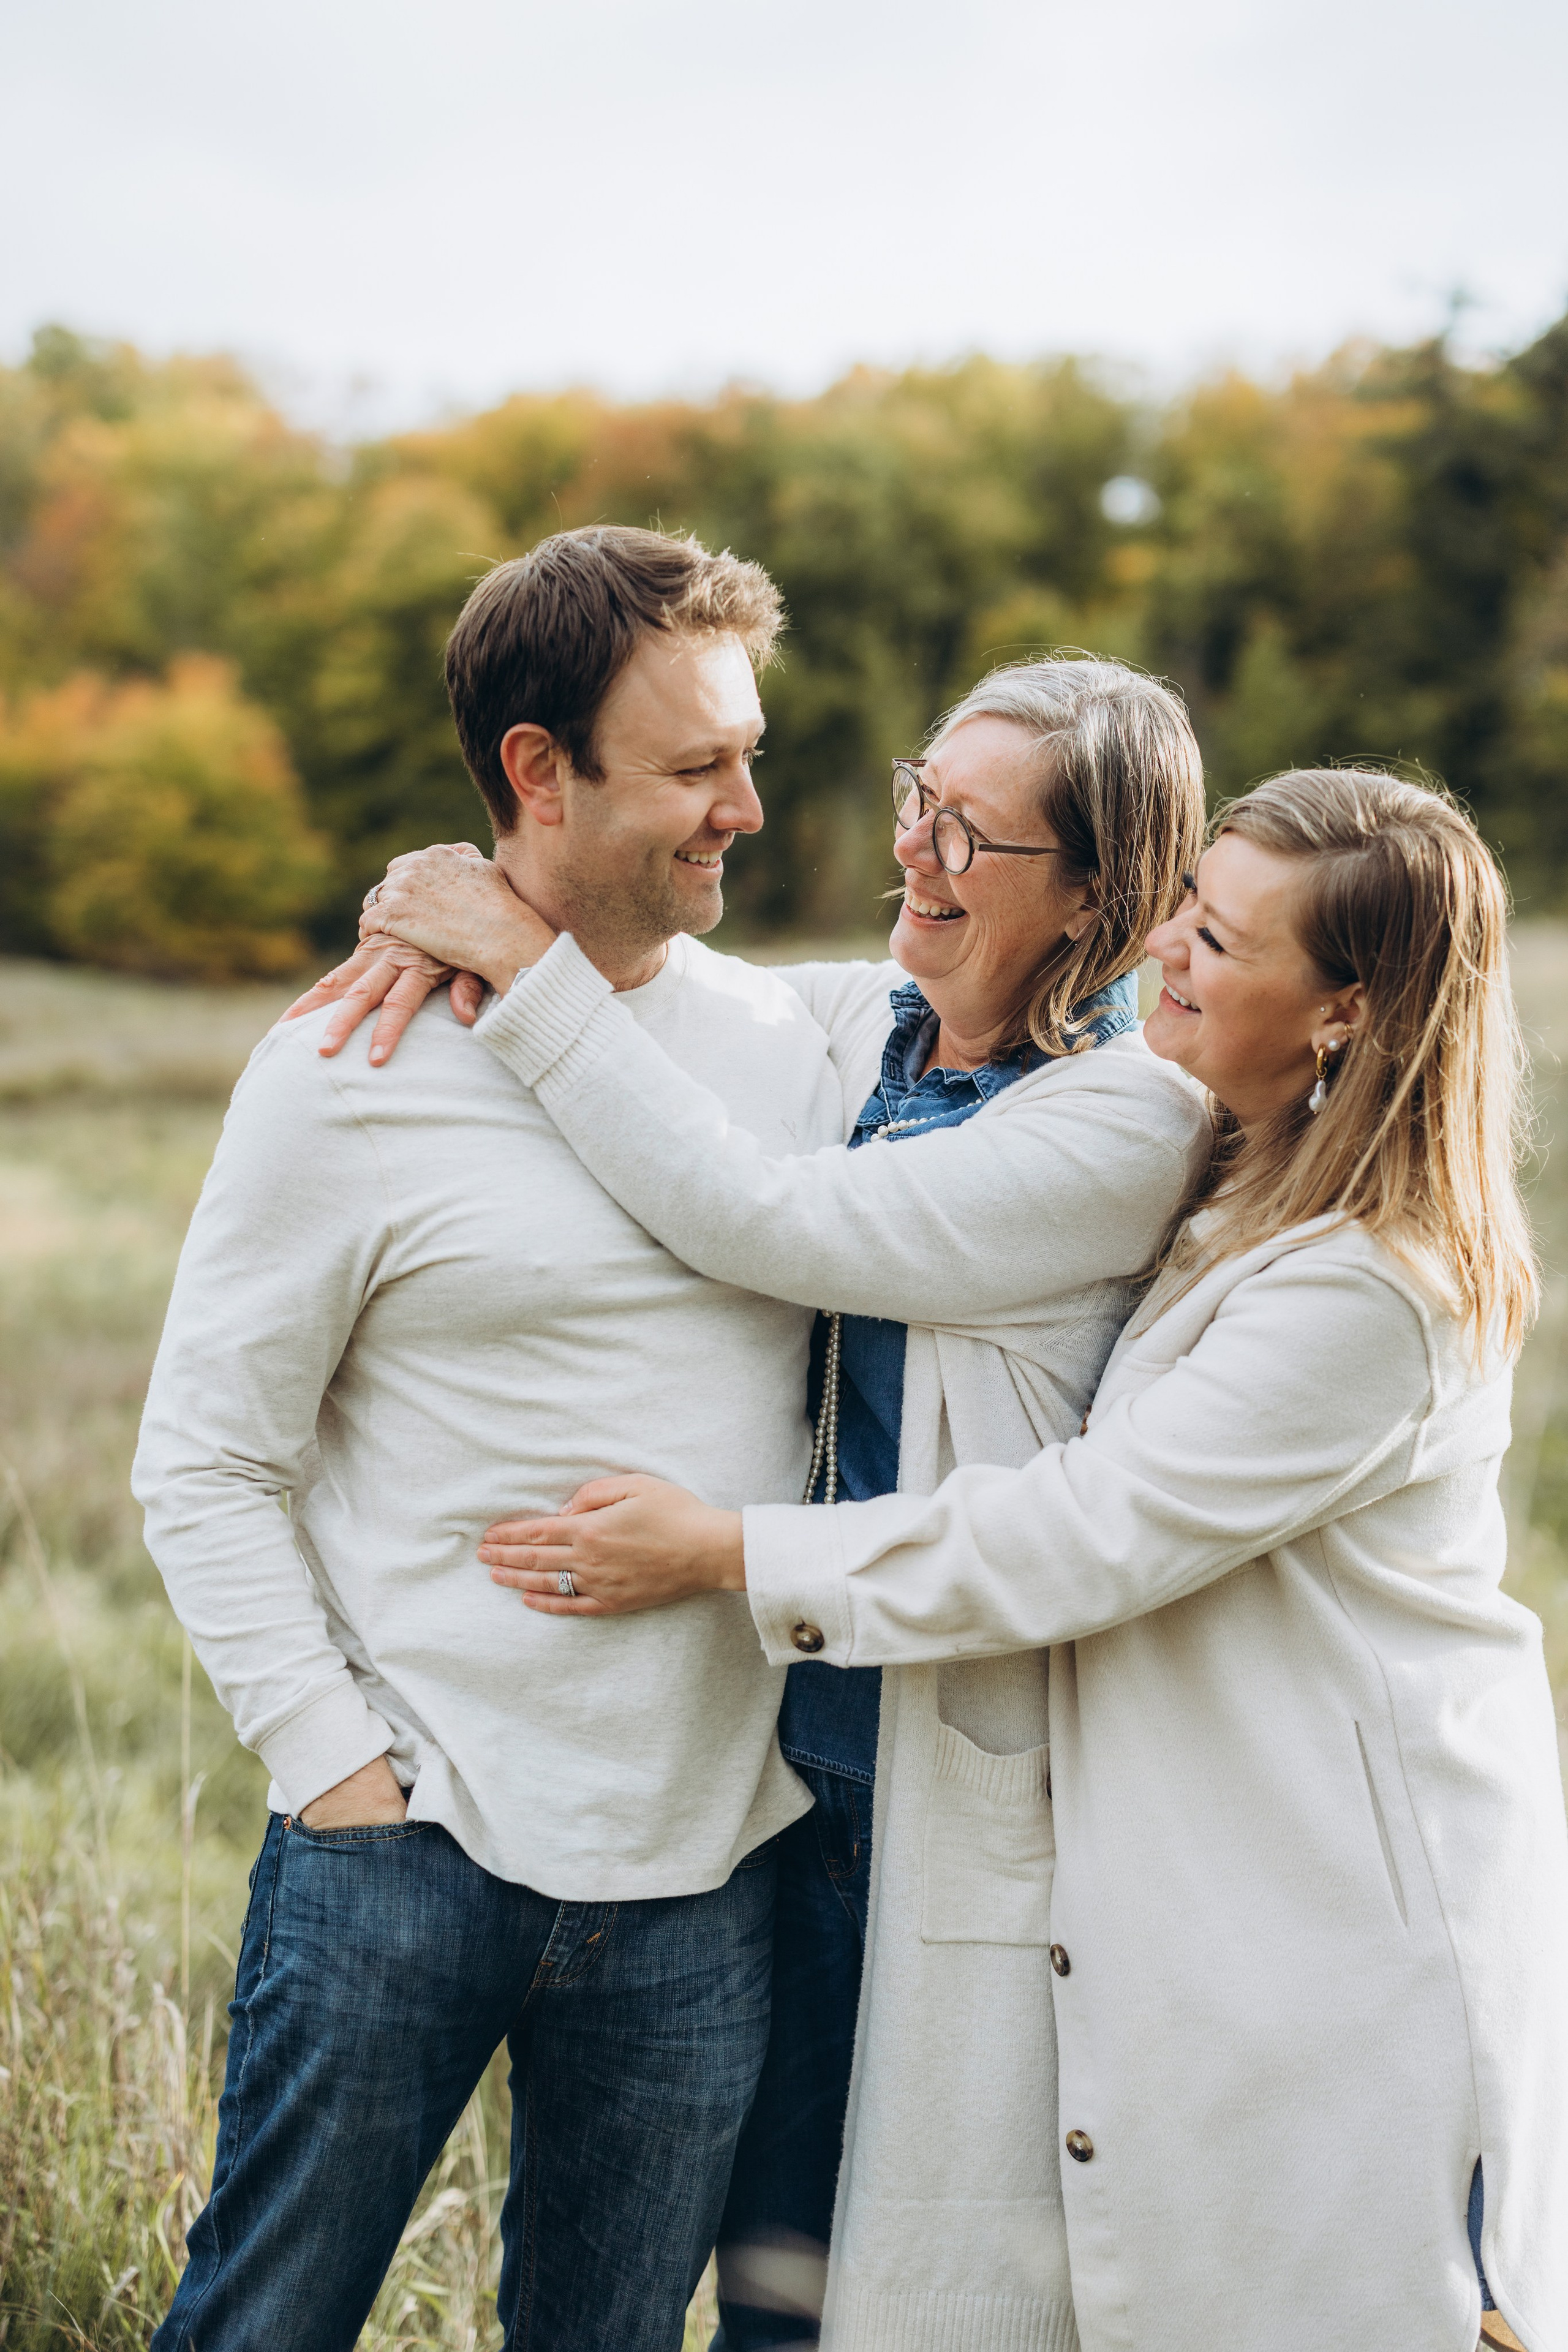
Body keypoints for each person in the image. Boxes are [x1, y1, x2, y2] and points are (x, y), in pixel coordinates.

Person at [450, 770, 1568, 2352]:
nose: (1165, 954)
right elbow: (845, 1006)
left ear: (1345, 1012)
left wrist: (728, 1553)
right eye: (1188, 907)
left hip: (1348, 1920)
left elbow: (1078, 1531)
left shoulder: (1372, 1292)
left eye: (1223, 943)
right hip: (1231, 1878)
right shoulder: (1239, 1164)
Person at [296, 656, 1210, 2345]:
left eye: (974, 837)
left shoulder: (1124, 1119)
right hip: (784, 1784)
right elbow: (671, 981)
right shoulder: (876, 1018)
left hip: (951, 1783)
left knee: (878, 2295)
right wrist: (456, 896)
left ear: (1097, 891)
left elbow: (771, 1221)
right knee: (760, 2264)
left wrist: (518, 953)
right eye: (917, 795)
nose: (916, 851)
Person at [132, 525, 864, 2352]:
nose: (747, 811)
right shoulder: (343, 1068)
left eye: (749, 753)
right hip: (412, 1846)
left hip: (707, 1877)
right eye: (698, 768)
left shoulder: (798, 1044)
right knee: (262, 2325)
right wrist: (340, 1779)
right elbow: (205, 1457)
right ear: (538, 771)